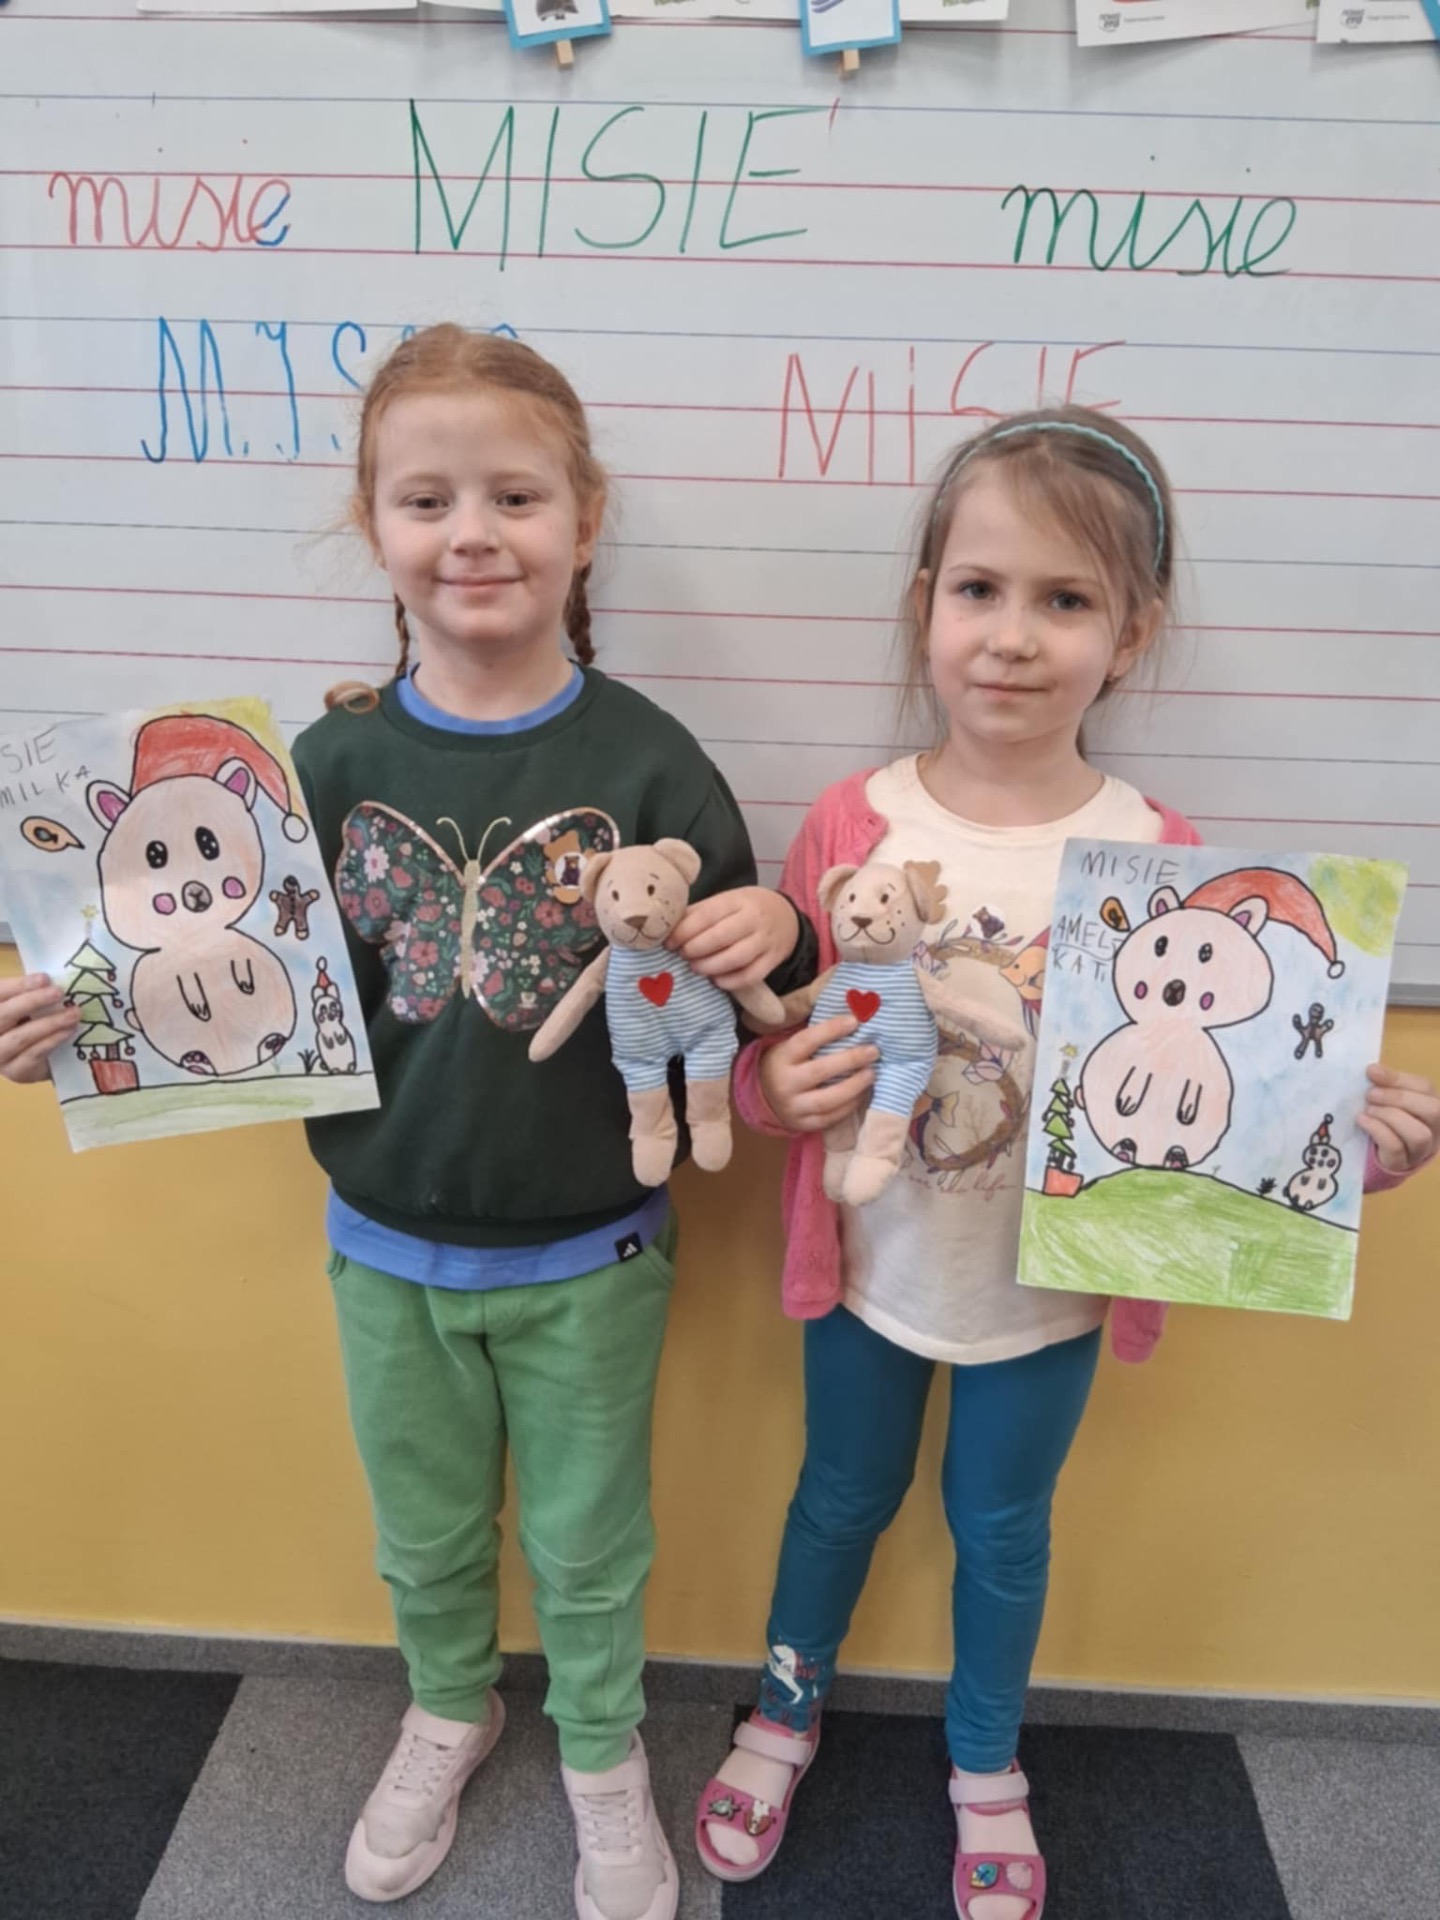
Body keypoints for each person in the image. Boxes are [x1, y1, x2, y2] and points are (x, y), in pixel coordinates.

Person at [0, 323, 814, 1920]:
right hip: (384, 1251)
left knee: (589, 1544)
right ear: (373, 525)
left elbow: (731, 990)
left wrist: (773, 923)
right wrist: (84, 1026)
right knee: (427, 1534)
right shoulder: (327, 759)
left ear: (584, 519)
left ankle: (601, 1752)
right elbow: (228, 969)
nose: (472, 534)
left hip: (595, 1256)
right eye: (426, 499)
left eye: (516, 495)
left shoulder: (650, 761)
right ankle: (450, 1707)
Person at [690, 408, 1440, 1919]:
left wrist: (1336, 1156)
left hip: (1049, 1296)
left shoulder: (1164, 853)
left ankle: (985, 1763)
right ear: (927, 605)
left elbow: (1215, 1111)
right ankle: (781, 1711)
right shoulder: (850, 822)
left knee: (1004, 1531)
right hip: (873, 1271)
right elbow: (784, 1046)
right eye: (980, 589)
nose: (1014, 637)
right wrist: (774, 1087)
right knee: (836, 1499)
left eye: (1067, 599)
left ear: (1131, 633)